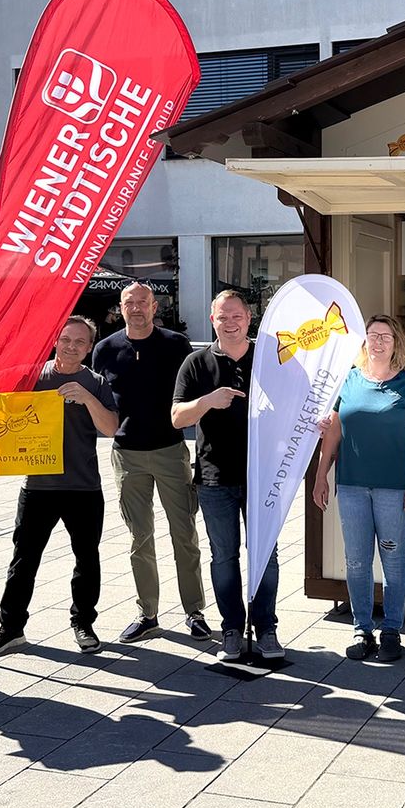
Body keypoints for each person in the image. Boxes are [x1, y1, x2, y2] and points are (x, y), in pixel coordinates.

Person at [0, 316, 119, 658]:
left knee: (87, 560)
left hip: (84, 487)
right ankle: (11, 628)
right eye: (66, 339)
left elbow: (111, 429)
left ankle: (83, 623)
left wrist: (87, 399)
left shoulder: (96, 382)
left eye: (79, 342)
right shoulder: (32, 375)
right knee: (23, 560)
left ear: (89, 348)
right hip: (38, 486)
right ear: (55, 341)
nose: (71, 346)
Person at [92, 283, 211, 643]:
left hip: (170, 451)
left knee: (184, 534)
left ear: (154, 306)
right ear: (121, 307)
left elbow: (194, 395)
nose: (137, 308)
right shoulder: (105, 350)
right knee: (139, 537)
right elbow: (99, 401)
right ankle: (148, 613)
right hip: (127, 455)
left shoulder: (175, 345)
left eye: (143, 302)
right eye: (130, 303)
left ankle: (195, 611)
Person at [171, 290, 283, 661]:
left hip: (264, 476)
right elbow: (176, 418)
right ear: (212, 319)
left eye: (237, 316)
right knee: (223, 557)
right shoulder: (196, 363)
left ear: (249, 318)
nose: (230, 322)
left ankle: (266, 629)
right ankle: (232, 629)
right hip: (214, 477)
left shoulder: (271, 358)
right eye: (223, 316)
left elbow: (297, 402)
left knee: (265, 555)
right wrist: (206, 402)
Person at [313, 315, 405, 662]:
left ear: (397, 345)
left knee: (394, 562)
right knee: (357, 562)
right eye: (373, 336)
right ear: (363, 342)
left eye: (386, 337)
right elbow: (333, 432)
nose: (378, 342)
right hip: (351, 486)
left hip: (394, 490)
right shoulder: (347, 381)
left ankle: (392, 629)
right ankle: (361, 628)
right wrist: (321, 475)